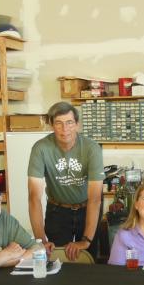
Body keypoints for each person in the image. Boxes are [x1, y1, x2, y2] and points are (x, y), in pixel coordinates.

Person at [28, 101, 104, 261]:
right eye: (59, 123)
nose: (65, 129)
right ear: (51, 125)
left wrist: (86, 240)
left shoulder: (92, 148)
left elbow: (95, 198)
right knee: (57, 260)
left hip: (87, 209)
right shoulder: (40, 148)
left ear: (77, 124)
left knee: (89, 260)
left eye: (69, 122)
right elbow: (34, 198)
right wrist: (41, 241)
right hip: (57, 211)